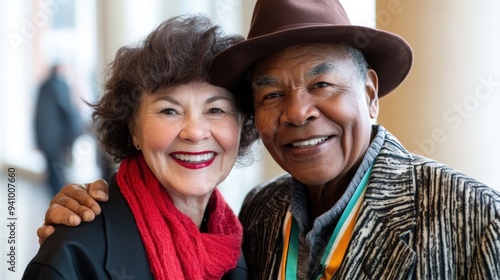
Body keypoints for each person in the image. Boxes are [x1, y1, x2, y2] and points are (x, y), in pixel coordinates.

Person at [38, 0, 500, 279]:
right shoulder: (259, 214)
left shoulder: (476, 219)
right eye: (273, 93)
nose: (298, 112)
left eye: (322, 85)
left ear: (370, 93)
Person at [24, 14, 258, 280]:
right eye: (169, 110)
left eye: (216, 109)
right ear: (133, 128)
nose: (194, 132)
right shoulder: (73, 255)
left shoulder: (243, 242)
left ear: (241, 124)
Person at [34, 63, 84, 196]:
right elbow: (67, 110)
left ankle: (55, 201)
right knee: (59, 174)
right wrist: (79, 129)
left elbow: (37, 116)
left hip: (45, 139)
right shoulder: (60, 85)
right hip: (58, 140)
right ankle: (60, 203)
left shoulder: (43, 86)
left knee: (51, 173)